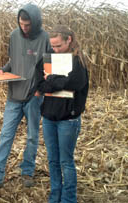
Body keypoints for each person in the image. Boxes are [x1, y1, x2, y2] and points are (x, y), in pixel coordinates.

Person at [0, 3, 53, 190]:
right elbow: (14, 59)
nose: (24, 28)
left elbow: (50, 68)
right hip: (13, 96)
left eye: (28, 25)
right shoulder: (13, 35)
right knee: (5, 136)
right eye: (21, 24)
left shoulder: (45, 39)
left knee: (32, 136)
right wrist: (4, 70)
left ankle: (27, 172)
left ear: (36, 22)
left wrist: (40, 90)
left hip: (33, 97)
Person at [38, 25, 89, 203]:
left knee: (65, 161)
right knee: (52, 160)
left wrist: (51, 79)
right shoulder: (49, 58)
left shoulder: (78, 62)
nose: (55, 49)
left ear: (69, 40)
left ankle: (68, 199)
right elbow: (40, 85)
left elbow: (75, 83)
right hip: (49, 117)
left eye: (59, 45)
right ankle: (55, 197)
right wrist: (59, 82)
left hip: (68, 119)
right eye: (53, 46)